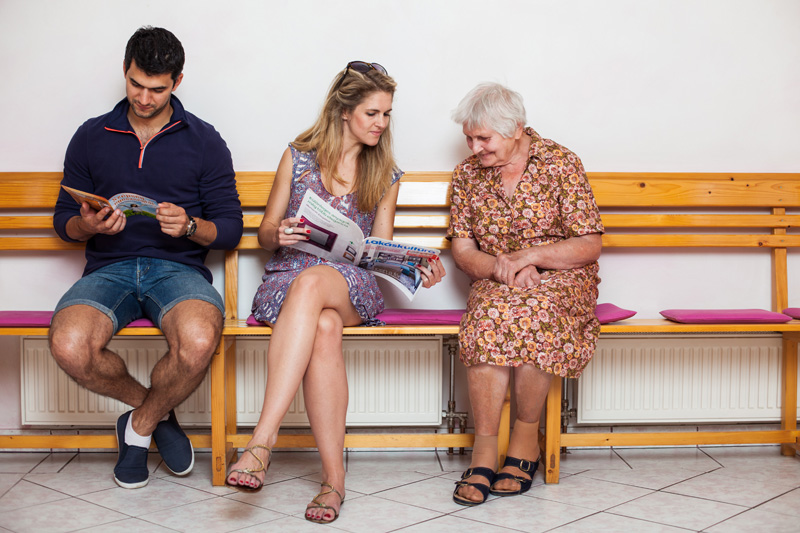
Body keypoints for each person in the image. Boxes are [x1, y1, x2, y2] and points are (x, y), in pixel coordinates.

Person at [224, 61, 445, 524]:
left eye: (386, 114)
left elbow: (379, 250)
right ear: (344, 111)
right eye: (372, 113)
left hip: (351, 286)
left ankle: (262, 441)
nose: (381, 123)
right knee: (323, 326)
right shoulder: (298, 156)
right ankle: (333, 481)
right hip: (287, 278)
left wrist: (413, 266)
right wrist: (279, 234)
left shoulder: (385, 173)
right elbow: (265, 233)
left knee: (315, 285)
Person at [49, 26, 243, 489]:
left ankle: (137, 429)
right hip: (108, 269)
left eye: (157, 89)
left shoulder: (204, 140)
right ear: (125, 70)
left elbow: (231, 229)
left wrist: (190, 226)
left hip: (178, 270)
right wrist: (89, 226)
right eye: (136, 84)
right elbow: (63, 222)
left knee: (199, 341)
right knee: (69, 345)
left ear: (177, 81)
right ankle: (157, 414)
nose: (144, 97)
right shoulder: (91, 135)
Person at [447, 83, 603, 506]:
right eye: (469, 138)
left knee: (537, 311)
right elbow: (463, 250)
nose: (474, 147)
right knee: (488, 317)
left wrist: (530, 257)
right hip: (496, 279)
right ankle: (484, 450)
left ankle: (525, 440)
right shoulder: (466, 175)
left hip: (562, 278)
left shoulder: (560, 163)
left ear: (516, 128)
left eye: (484, 138)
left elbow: (588, 244)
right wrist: (502, 267)